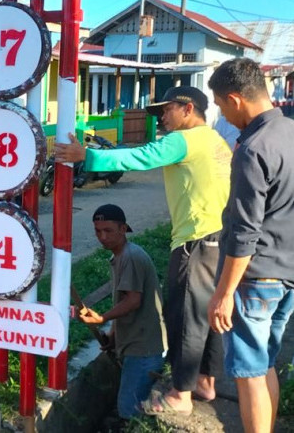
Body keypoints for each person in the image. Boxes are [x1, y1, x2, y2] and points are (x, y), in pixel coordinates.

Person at [57, 86, 232, 415]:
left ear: (188, 108)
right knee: (207, 313)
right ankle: (206, 381)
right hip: (219, 236)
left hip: (195, 238)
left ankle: (180, 394)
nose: (162, 118)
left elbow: (140, 156)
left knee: (184, 316)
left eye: (166, 110)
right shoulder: (216, 141)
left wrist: (89, 156)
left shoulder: (185, 139)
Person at [207, 58, 294, 433]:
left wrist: (224, 293)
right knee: (265, 363)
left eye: (222, 107)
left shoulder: (252, 148)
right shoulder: (289, 131)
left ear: (235, 99)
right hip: (287, 271)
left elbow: (244, 232)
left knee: (248, 375)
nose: (224, 115)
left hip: (256, 278)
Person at [78, 204, 167, 419]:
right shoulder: (120, 257)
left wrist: (103, 317)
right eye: (98, 231)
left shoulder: (131, 257)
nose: (102, 237)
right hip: (135, 345)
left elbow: (133, 301)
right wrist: (113, 335)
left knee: (129, 409)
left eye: (108, 230)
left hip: (144, 348)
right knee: (131, 407)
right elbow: (124, 300)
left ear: (123, 228)